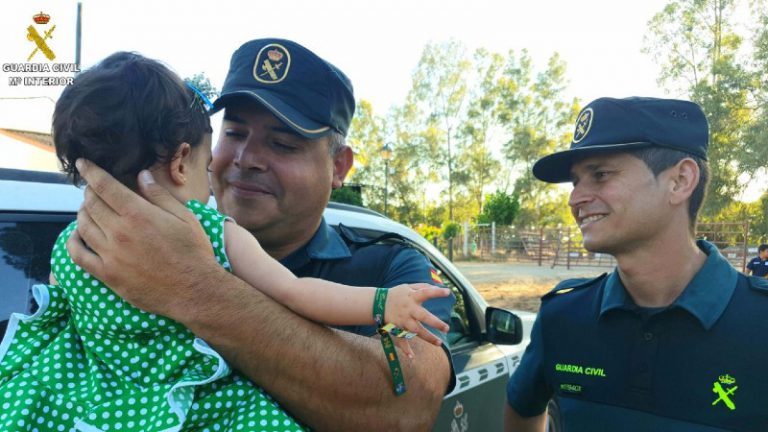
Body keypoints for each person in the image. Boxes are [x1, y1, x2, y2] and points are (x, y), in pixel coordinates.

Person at [0, 51, 451, 432]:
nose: (247, 159)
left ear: (339, 167)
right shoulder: (97, 242)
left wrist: (194, 288)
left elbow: (409, 403)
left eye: (284, 143)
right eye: (233, 134)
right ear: (187, 158)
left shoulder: (392, 263)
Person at [504, 97, 768, 431]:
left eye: (600, 174)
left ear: (680, 181)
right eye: (575, 182)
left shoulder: (761, 322)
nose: (575, 199)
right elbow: (521, 406)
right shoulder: (563, 315)